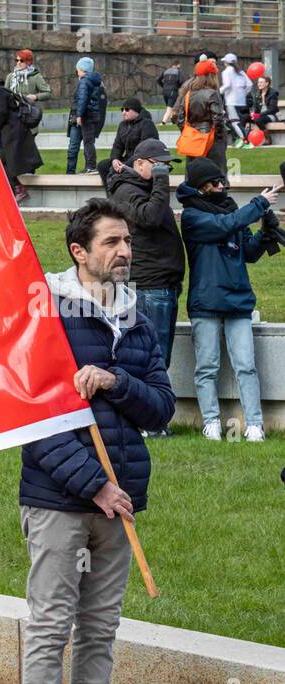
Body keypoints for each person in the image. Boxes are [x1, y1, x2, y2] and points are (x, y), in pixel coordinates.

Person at [19, 199, 174, 684]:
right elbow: (35, 419)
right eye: (111, 242)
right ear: (79, 252)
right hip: (61, 500)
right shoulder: (47, 314)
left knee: (100, 627)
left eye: (127, 240)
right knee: (51, 625)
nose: (125, 251)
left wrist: (114, 380)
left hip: (121, 499)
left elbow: (160, 406)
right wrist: (95, 484)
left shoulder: (135, 317)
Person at [177, 157, 279, 442]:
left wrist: (266, 232)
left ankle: (255, 424)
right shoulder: (192, 217)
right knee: (207, 367)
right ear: (201, 188)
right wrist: (259, 204)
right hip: (205, 303)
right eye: (215, 183)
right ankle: (211, 422)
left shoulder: (232, 211)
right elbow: (224, 226)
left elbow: (249, 252)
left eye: (222, 181)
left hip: (238, 303)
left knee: (246, 366)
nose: (222, 186)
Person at [103, 139, 185, 423]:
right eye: (158, 165)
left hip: (161, 283)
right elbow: (149, 217)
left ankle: (151, 420)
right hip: (150, 284)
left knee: (158, 358)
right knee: (155, 360)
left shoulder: (141, 187)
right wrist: (162, 182)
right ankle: (150, 421)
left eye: (167, 166)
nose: (164, 170)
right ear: (139, 164)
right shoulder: (127, 190)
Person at [0, 67, 41, 205]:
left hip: (11, 132)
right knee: (2, 160)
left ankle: (18, 190)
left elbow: (0, 113)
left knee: (1, 160)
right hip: (8, 132)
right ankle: (16, 189)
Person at [173, 60, 229, 174]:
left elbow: (180, 119)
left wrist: (188, 132)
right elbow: (218, 119)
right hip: (211, 139)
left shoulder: (188, 94)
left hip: (192, 138)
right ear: (211, 75)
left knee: (193, 174)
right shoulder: (212, 93)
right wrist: (219, 136)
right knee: (216, 174)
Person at [97, 97, 158, 187]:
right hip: (127, 159)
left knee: (116, 171)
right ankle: (111, 196)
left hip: (141, 161)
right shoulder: (123, 125)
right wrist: (115, 159)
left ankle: (121, 193)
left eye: (127, 109)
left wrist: (125, 165)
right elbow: (117, 146)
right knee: (102, 166)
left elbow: (144, 151)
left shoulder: (147, 124)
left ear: (136, 111)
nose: (123, 112)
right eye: (122, 109)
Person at [67, 57, 107, 175]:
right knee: (88, 142)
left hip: (85, 116)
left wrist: (79, 115)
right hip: (92, 115)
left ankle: (89, 167)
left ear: (81, 69)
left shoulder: (84, 81)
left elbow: (82, 98)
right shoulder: (96, 81)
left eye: (77, 69)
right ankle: (89, 167)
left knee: (85, 143)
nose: (76, 72)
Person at [220, 54, 253, 146]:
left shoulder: (226, 72)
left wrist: (218, 92)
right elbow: (249, 84)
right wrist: (242, 94)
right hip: (241, 101)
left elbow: (227, 85)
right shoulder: (240, 72)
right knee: (236, 122)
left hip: (231, 101)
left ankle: (245, 141)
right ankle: (243, 140)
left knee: (234, 122)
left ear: (226, 63)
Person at [248, 74, 279, 140]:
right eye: (258, 82)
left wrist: (258, 115)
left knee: (257, 119)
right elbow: (255, 106)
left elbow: (272, 109)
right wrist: (253, 113)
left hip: (270, 115)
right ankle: (244, 138)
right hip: (259, 115)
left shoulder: (273, 93)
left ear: (267, 83)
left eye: (261, 82)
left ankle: (268, 138)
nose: (259, 84)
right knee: (244, 117)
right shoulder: (257, 93)